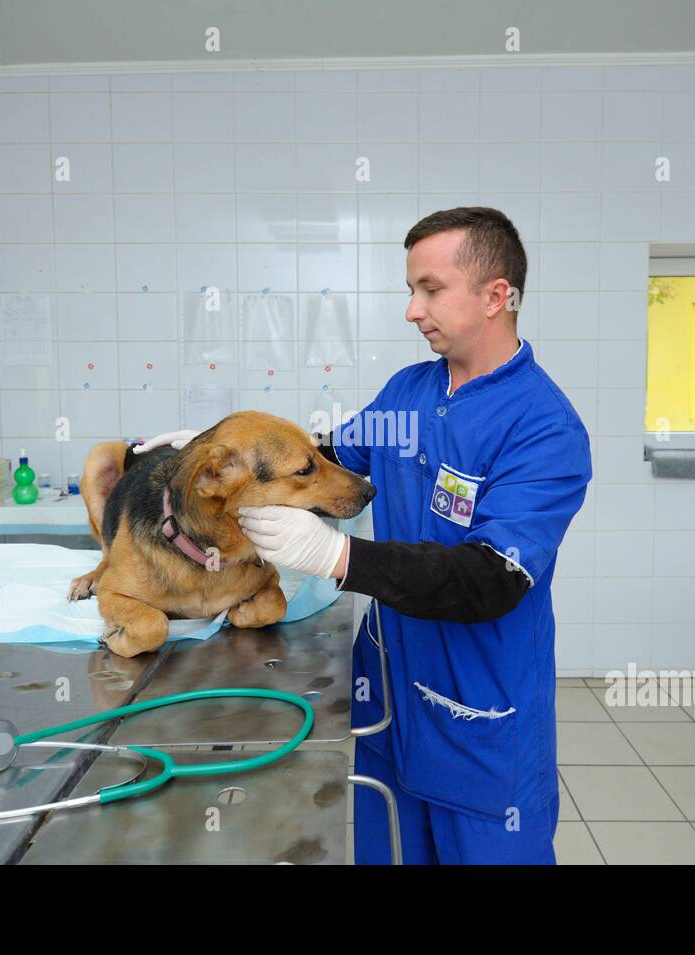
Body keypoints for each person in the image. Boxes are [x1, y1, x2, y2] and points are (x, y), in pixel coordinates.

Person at [152, 207, 592, 864]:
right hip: (387, 705)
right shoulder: (407, 395)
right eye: (411, 290)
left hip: (479, 726)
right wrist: (220, 449)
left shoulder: (543, 428)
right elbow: (328, 464)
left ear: (496, 294)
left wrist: (335, 554)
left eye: (430, 289)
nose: (413, 310)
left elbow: (489, 577)